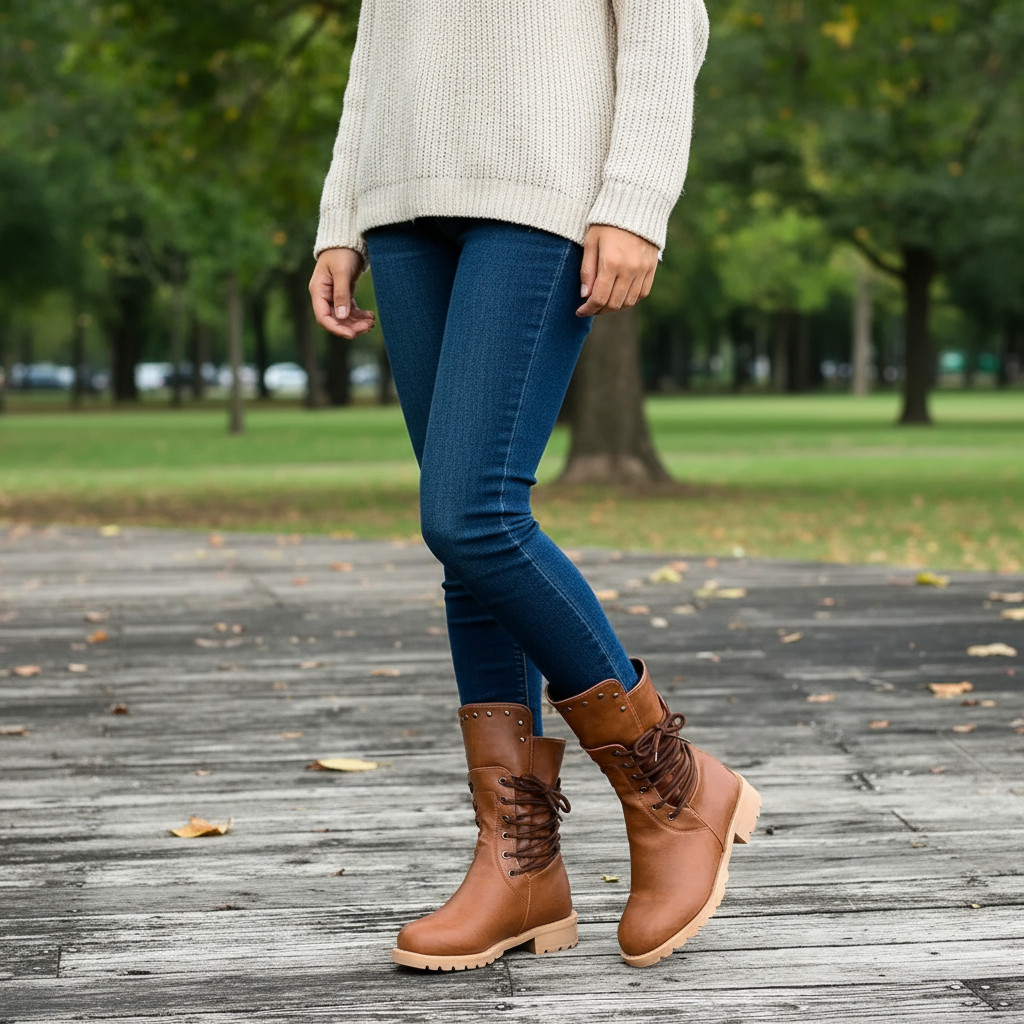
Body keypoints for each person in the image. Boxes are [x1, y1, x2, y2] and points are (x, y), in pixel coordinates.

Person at [308, 0, 760, 971]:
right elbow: (376, 37)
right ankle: (519, 866)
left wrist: (634, 197)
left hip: (541, 181)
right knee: (461, 548)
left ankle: (673, 789)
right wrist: (340, 211)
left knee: (472, 513)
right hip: (400, 194)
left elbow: (663, 21)